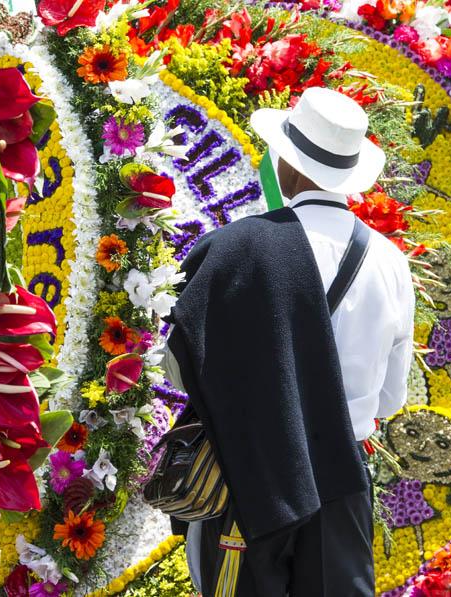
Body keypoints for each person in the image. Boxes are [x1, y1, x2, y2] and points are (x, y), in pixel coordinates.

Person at [162, 87, 416, 596]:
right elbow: (392, 398)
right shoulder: (391, 262)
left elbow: (178, 367)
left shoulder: (235, 246)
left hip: (251, 480)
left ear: (286, 164)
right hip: (343, 485)